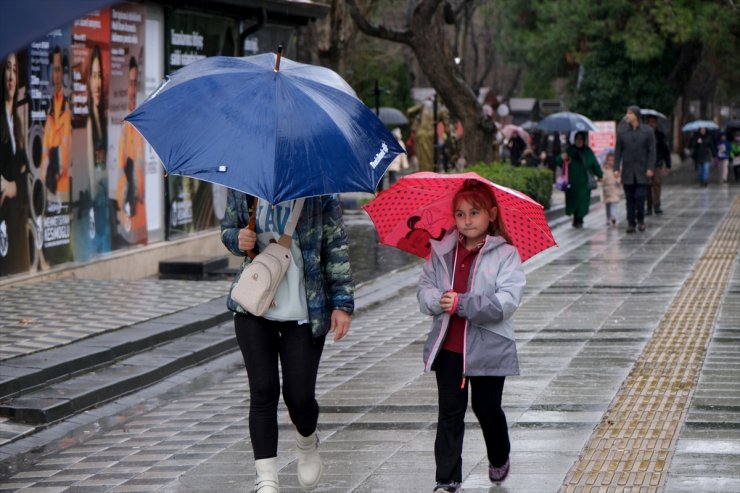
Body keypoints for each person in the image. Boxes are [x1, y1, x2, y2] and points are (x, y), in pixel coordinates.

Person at [221, 191, 354, 493]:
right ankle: (266, 477)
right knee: (263, 390)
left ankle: (306, 440)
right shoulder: (247, 189)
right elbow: (228, 230)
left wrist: (342, 304)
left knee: (299, 396)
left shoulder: (320, 195)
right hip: (254, 306)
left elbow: (336, 248)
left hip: (305, 311)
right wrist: (237, 238)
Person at [417, 179, 525, 493]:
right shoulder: (441, 252)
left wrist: (465, 303)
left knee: (486, 406)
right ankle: (447, 479)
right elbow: (424, 289)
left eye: (474, 213)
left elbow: (507, 302)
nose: (467, 220)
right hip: (449, 346)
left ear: (491, 214)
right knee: (450, 410)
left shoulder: (505, 254)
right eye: (461, 214)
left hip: (489, 346)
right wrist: (439, 299)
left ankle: (499, 454)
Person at [0, 52, 30, 276]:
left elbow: (24, 172)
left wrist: (14, 185)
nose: (11, 76)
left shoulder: (17, 124)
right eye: (7, 69)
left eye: (15, 70)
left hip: (16, 220)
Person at [116, 56, 147, 245]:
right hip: (127, 213)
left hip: (141, 215)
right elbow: (121, 170)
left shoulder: (141, 124)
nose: (132, 89)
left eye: (135, 83)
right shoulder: (125, 125)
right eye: (130, 83)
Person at [614, 105, 655, 233]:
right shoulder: (622, 132)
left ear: (636, 116)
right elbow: (618, 151)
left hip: (642, 171)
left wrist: (650, 167)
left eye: (630, 113)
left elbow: (652, 151)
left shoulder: (647, 132)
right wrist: (616, 167)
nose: (628, 116)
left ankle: (641, 219)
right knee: (629, 199)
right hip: (628, 171)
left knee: (640, 197)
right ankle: (631, 223)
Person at [86, 44, 110, 252]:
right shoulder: (88, 121)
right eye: (93, 76)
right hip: (95, 198)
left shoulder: (103, 119)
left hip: (104, 198)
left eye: (99, 76)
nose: (96, 83)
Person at [42, 46, 72, 198]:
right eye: (54, 70)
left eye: (59, 69)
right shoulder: (47, 108)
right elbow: (44, 150)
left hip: (63, 186)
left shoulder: (68, 108)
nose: (56, 75)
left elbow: (67, 149)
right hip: (48, 186)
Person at [558, 131, 602, 228]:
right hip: (572, 183)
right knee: (573, 201)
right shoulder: (569, 150)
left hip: (584, 183)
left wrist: (600, 175)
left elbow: (594, 164)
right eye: (577, 139)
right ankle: (575, 218)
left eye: (581, 139)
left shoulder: (587, 151)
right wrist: (563, 158)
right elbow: (559, 161)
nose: (579, 141)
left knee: (582, 201)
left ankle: (580, 219)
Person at [645, 115, 671, 214]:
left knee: (657, 182)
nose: (651, 124)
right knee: (647, 184)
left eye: (653, 122)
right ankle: (648, 205)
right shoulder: (644, 134)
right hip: (646, 163)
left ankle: (657, 204)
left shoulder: (660, 136)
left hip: (657, 162)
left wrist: (668, 165)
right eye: (649, 122)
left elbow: (666, 151)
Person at [601, 151, 621, 227]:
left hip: (614, 190)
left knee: (613, 204)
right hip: (607, 190)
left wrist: (618, 180)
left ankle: (613, 217)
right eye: (609, 160)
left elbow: (619, 178)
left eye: (612, 160)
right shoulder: (604, 170)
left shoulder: (616, 170)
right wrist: (602, 180)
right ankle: (608, 218)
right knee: (608, 205)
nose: (611, 162)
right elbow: (602, 179)